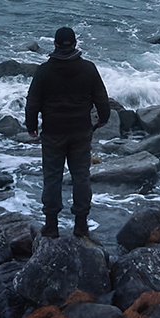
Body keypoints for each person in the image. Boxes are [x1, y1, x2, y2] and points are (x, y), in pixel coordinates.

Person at [23, 25, 111, 240]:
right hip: (80, 131)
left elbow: (32, 102)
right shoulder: (88, 68)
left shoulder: (44, 71)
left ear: (54, 44)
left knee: (52, 178)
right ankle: (81, 225)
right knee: (81, 177)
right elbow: (101, 98)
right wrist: (103, 118)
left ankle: (51, 226)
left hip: (53, 133)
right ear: (75, 44)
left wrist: (31, 126)